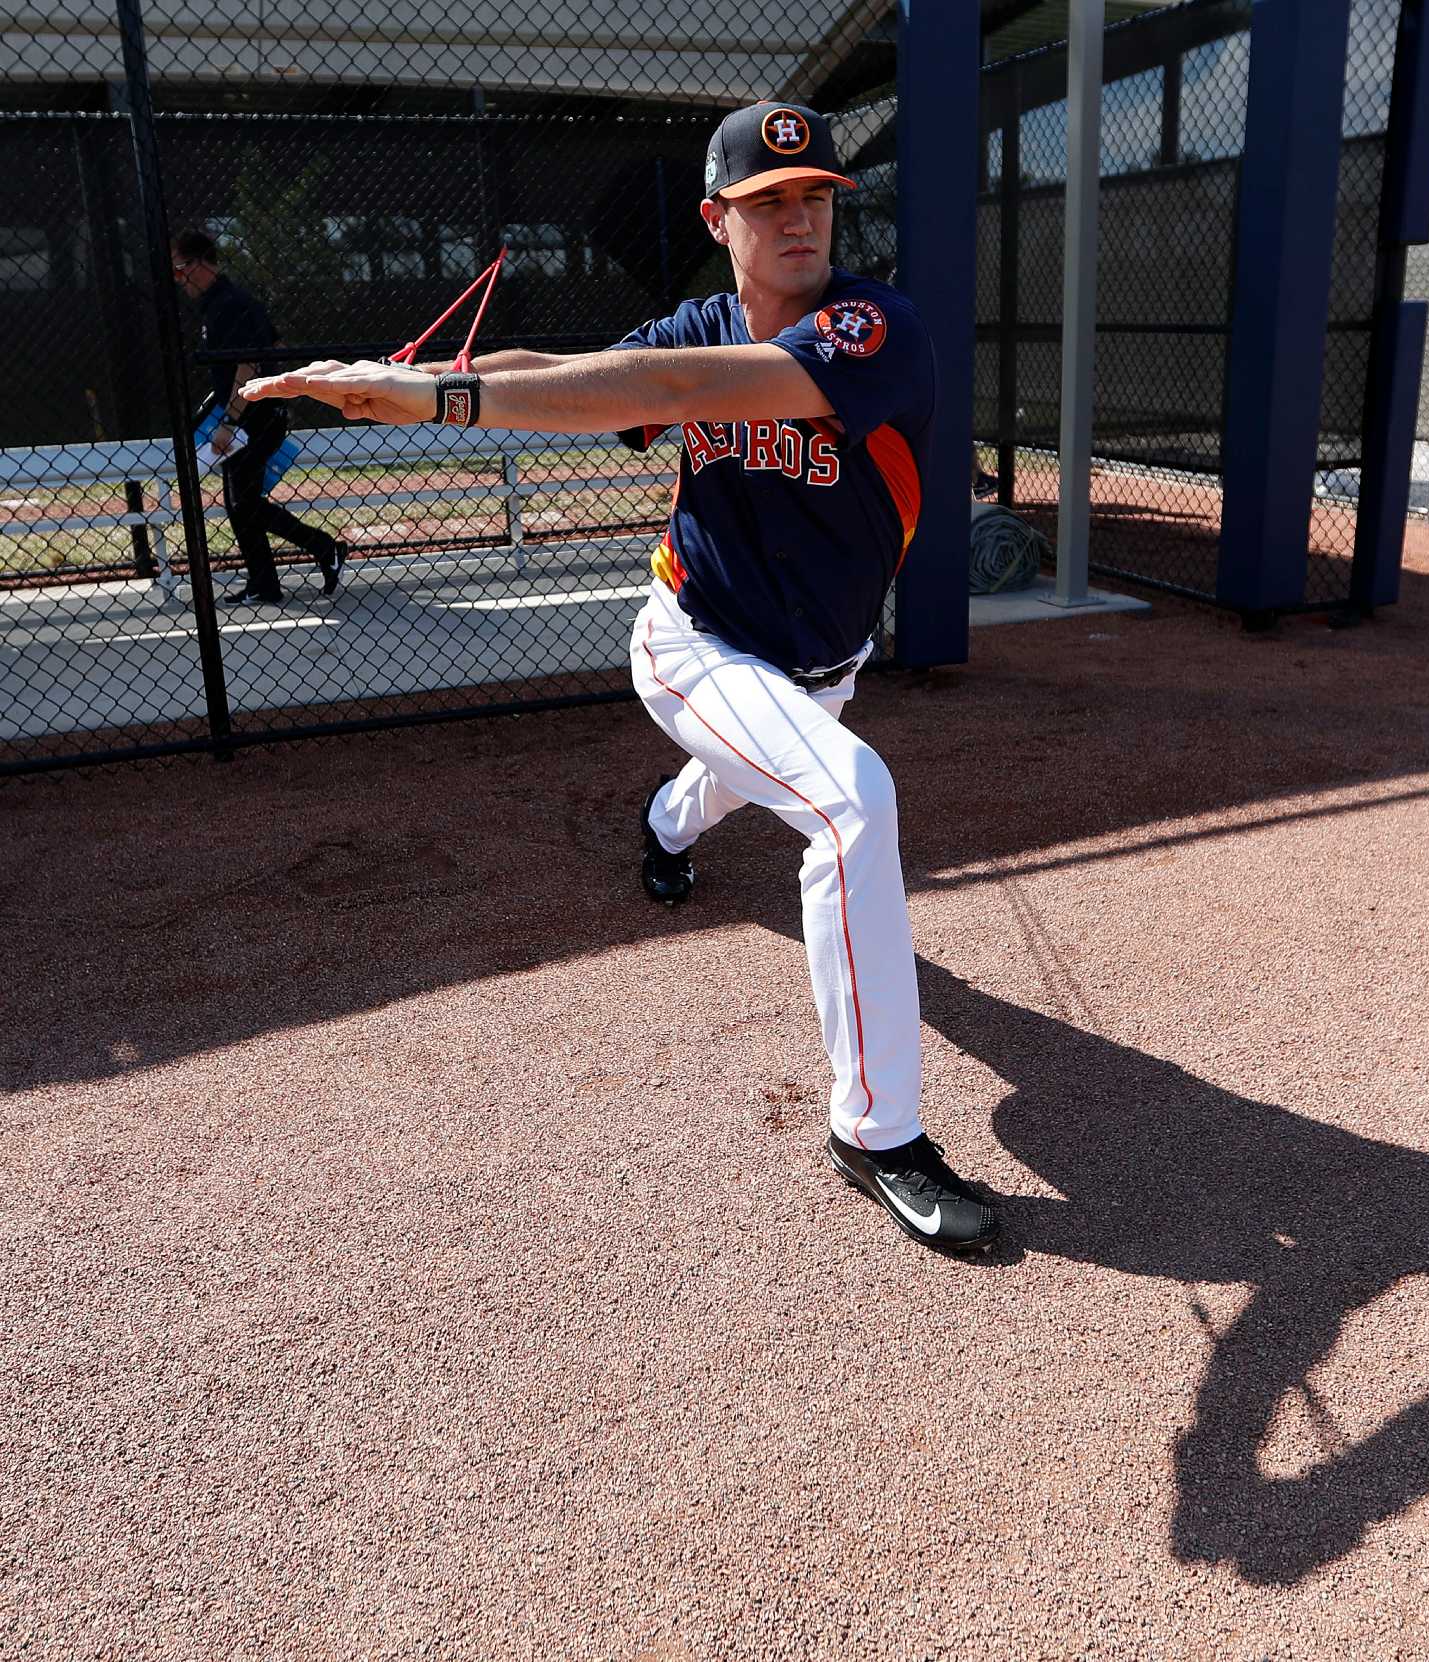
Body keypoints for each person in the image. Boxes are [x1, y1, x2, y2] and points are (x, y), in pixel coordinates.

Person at [242, 103, 998, 1254]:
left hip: (819, 664)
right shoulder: (696, 321)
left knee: (744, 775)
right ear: (717, 220)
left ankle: (664, 824)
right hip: (693, 640)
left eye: (814, 198)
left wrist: (439, 400)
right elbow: (584, 375)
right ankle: (875, 1131)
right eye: (766, 203)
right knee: (850, 802)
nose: (798, 218)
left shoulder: (876, 330)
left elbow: (684, 386)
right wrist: (422, 376)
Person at [170, 229, 346, 605]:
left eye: (180, 269)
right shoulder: (225, 303)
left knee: (243, 503)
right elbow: (275, 345)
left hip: (254, 418)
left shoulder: (228, 304)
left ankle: (321, 548)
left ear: (200, 264)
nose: (179, 280)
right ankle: (266, 581)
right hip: (255, 414)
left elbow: (248, 363)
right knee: (240, 502)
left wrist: (230, 420)